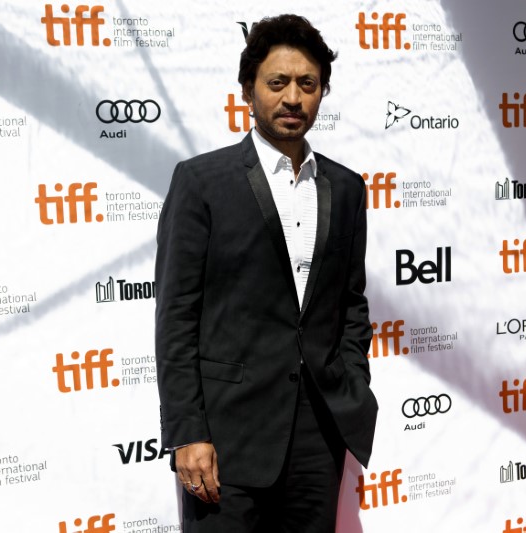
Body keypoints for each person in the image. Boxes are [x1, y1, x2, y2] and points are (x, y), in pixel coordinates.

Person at [155, 14, 378, 532]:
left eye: (308, 84)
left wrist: (352, 387)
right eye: (277, 83)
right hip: (225, 441)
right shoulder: (201, 182)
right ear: (248, 92)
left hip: (318, 437)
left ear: (322, 92)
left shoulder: (346, 189)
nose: (293, 98)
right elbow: (176, 318)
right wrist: (188, 433)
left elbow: (351, 305)